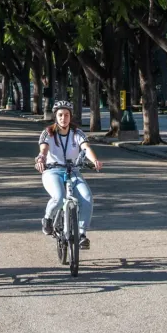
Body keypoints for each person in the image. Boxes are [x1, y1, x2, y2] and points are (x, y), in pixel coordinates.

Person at [35, 100, 102, 248]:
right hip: (52, 171)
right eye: (60, 115)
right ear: (55, 116)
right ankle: (48, 219)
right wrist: (41, 159)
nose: (63, 118)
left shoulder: (77, 133)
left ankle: (82, 234)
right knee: (58, 197)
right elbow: (43, 150)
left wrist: (95, 160)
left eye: (66, 115)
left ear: (70, 117)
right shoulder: (48, 132)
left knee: (86, 197)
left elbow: (86, 148)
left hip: (73, 170)